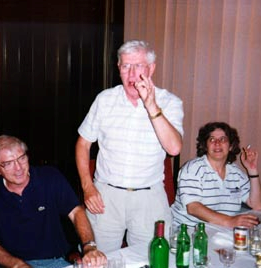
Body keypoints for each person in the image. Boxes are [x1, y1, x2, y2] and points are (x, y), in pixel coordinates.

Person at [75, 40, 184, 253]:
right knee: (98, 261)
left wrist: (151, 105)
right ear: (119, 69)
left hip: (149, 198)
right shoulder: (105, 100)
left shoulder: (170, 102)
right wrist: (88, 188)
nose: (132, 75)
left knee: (151, 260)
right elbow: (82, 144)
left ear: (151, 68)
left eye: (139, 66)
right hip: (106, 196)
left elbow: (174, 149)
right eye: (126, 66)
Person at [0, 135, 107, 268]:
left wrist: (89, 246)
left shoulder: (49, 177)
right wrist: (17, 265)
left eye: (21, 158)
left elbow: (76, 211)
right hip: (9, 264)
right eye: (8, 163)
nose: (18, 168)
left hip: (52, 261)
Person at [171, 122, 261, 228]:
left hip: (222, 232)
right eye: (212, 139)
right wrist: (230, 221)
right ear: (205, 146)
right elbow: (193, 208)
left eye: (223, 139)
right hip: (189, 233)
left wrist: (252, 170)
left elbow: (257, 205)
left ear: (231, 146)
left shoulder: (236, 173)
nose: (217, 143)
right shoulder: (193, 169)